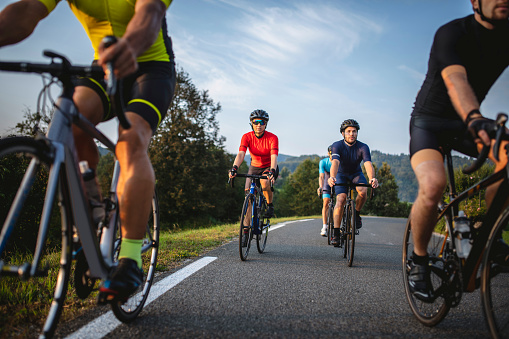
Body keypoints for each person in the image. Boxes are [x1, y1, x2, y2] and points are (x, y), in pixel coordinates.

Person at [0, 0, 177, 302]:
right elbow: (28, 9)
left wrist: (129, 47)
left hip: (150, 71)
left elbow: (150, 14)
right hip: (102, 69)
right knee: (65, 122)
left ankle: (130, 259)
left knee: (130, 141)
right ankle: (92, 212)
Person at [407, 0, 509, 302]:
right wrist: (476, 119)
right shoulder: (452, 33)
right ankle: (419, 259)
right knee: (434, 184)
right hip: (431, 123)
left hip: (469, 121)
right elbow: (456, 81)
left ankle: (487, 235)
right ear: (475, 1)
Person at [327, 119, 378, 246]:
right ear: (343, 133)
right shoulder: (337, 145)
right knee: (341, 199)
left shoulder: (363, 147)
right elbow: (335, 163)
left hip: (356, 173)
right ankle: (336, 233)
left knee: (363, 191)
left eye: (354, 131)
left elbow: (367, 164)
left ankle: (356, 214)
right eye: (348, 131)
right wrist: (332, 177)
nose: (352, 134)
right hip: (341, 174)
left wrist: (372, 178)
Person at [229, 109, 279, 218]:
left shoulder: (272, 138)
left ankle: (269, 205)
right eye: (256, 122)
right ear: (251, 123)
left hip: (268, 166)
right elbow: (241, 154)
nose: (259, 125)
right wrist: (234, 168)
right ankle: (246, 232)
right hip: (254, 167)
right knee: (248, 195)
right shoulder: (246, 137)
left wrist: (272, 171)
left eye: (262, 122)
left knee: (265, 183)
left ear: (266, 124)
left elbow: (274, 156)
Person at [318, 145, 333, 236]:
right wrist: (320, 187)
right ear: (328, 153)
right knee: (326, 202)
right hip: (327, 180)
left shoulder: (339, 161)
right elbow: (321, 176)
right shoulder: (323, 162)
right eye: (331, 153)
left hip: (337, 179)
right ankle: (324, 226)